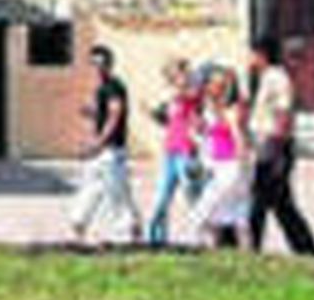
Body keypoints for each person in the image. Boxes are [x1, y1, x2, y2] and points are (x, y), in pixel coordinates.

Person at [245, 32, 314, 256]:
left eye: (252, 53)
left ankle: (253, 246)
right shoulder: (266, 77)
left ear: (261, 54)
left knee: (259, 200)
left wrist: (275, 147)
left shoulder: (277, 78)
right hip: (267, 144)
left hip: (274, 145)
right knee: (280, 204)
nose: (249, 58)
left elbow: (283, 112)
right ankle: (305, 248)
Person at [69, 42, 141, 246]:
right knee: (92, 186)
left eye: (100, 63)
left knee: (116, 191)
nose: (96, 68)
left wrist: (99, 142)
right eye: (93, 63)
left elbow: (115, 115)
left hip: (112, 149)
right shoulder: (102, 87)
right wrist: (92, 113)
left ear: (109, 64)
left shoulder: (113, 86)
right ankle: (79, 224)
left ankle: (129, 230)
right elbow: (105, 115)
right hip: (103, 150)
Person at [183, 66, 249, 248]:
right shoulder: (209, 110)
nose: (209, 88)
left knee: (202, 212)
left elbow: (238, 136)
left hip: (231, 166)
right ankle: (239, 255)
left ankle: (195, 248)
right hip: (218, 165)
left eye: (216, 85)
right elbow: (204, 135)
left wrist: (243, 165)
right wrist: (196, 135)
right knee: (232, 216)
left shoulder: (231, 110)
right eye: (210, 84)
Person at [146, 55, 200, 247]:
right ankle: (156, 240)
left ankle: (207, 237)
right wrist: (154, 113)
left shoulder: (192, 94)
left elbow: (188, 95)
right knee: (161, 198)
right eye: (174, 76)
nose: (176, 79)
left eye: (179, 74)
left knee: (194, 197)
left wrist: (178, 87)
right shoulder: (173, 99)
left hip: (187, 152)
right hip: (170, 151)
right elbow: (169, 121)